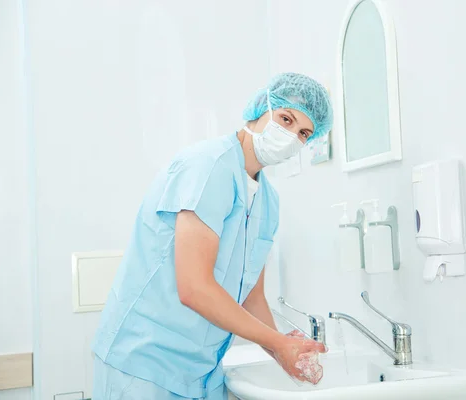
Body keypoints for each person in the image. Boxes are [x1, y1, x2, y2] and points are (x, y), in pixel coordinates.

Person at [92, 72, 334, 399]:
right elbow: (194, 288)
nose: (291, 137)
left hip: (200, 371)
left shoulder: (268, 201)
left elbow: (251, 298)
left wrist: (284, 352)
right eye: (285, 119)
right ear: (261, 108)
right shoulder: (206, 166)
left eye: (304, 133)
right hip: (145, 364)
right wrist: (279, 343)